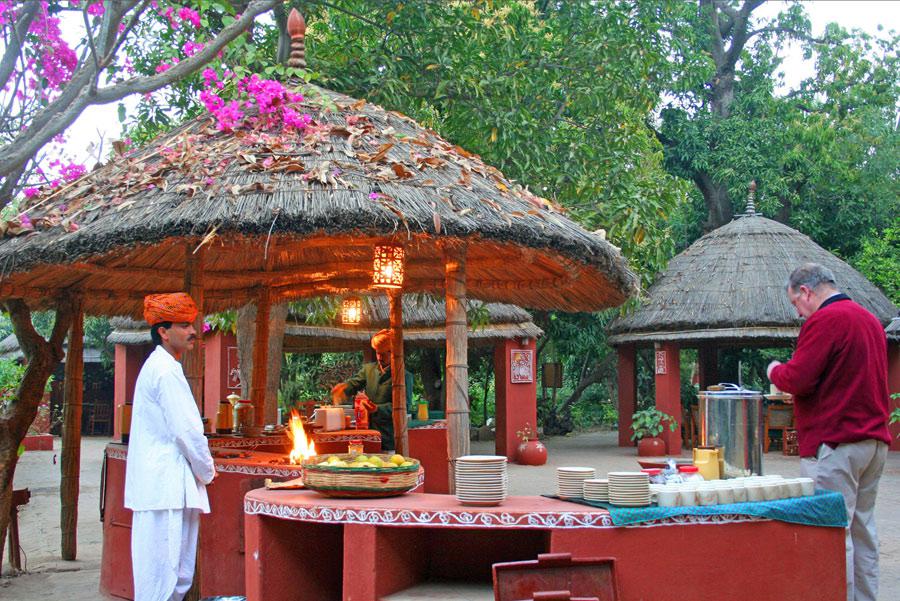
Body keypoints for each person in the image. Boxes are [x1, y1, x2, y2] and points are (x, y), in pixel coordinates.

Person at [767, 263, 890, 601]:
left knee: (833, 533)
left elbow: (799, 379)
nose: (799, 311)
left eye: (796, 303)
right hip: (873, 443)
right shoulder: (869, 321)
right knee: (862, 531)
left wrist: (775, 371)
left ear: (805, 291)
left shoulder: (825, 320)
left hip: (836, 443)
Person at [125, 292, 216, 601]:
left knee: (173, 578)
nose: (193, 331)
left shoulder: (162, 367)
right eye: (184, 325)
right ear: (163, 331)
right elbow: (188, 432)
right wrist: (207, 472)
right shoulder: (165, 370)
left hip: (162, 489)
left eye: (192, 324)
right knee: (165, 581)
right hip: (164, 490)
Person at [331, 328, 414, 450]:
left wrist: (377, 409)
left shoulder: (403, 376)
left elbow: (404, 406)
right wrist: (343, 388)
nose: (379, 357)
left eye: (383, 354)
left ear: (393, 352)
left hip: (390, 435)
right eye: (377, 353)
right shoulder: (368, 369)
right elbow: (355, 383)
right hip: (368, 433)